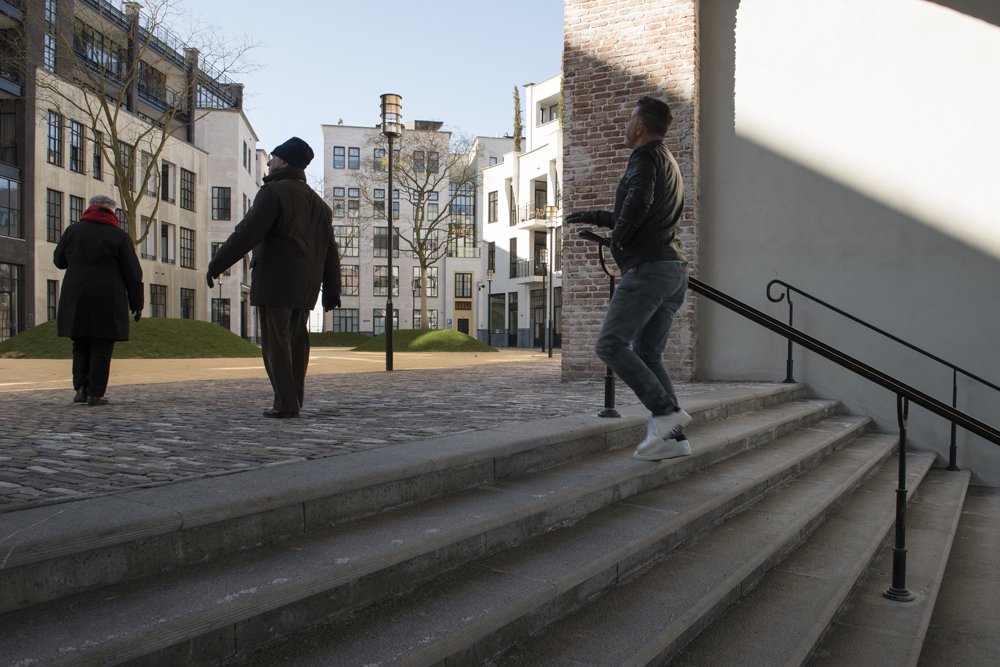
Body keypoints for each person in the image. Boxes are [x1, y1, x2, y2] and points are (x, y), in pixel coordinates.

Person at [566, 96, 692, 461]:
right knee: (649, 353)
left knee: (609, 345)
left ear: (639, 125)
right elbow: (645, 210)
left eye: (628, 119)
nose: (625, 125)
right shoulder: (666, 160)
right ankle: (674, 438)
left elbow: (638, 200)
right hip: (674, 271)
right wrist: (598, 217)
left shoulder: (642, 157)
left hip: (649, 270)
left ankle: (666, 413)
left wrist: (619, 237)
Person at [207, 137, 340, 418]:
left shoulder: (273, 193)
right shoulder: (320, 205)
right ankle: (295, 398)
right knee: (297, 341)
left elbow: (247, 232)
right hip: (305, 285)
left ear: (284, 162)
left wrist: (217, 263)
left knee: (275, 343)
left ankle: (285, 402)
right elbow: (330, 251)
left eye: (274, 157)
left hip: (275, 279)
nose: (268, 162)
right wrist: (332, 290)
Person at [53, 194, 144, 407]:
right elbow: (132, 273)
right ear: (112, 211)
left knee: (80, 342)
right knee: (102, 344)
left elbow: (59, 261)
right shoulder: (119, 236)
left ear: (90, 208)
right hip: (107, 296)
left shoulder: (72, 231)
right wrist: (136, 303)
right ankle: (95, 393)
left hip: (76, 294)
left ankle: (81, 389)